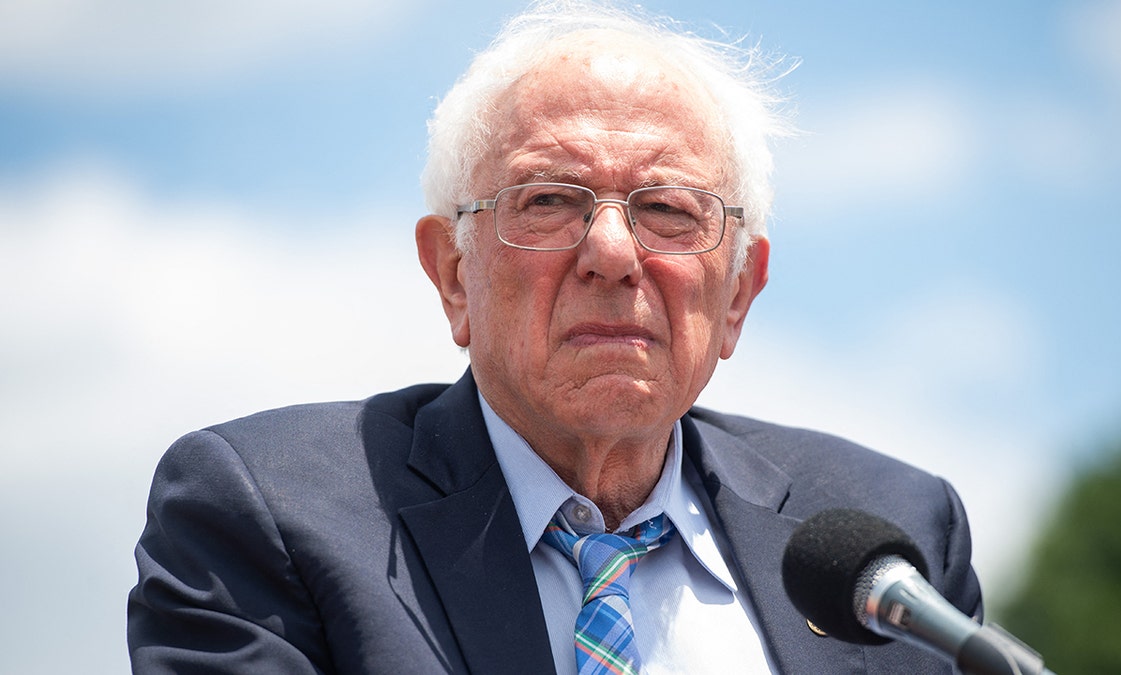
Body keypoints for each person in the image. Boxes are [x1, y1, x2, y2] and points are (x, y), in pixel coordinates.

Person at [127, 1, 982, 672]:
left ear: (737, 296)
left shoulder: (893, 539)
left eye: (668, 211)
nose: (612, 254)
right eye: (548, 201)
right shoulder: (265, 514)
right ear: (452, 274)